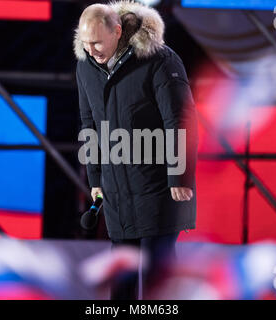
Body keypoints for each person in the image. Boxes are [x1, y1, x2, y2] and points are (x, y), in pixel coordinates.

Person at [74, 0, 198, 300]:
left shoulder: (161, 60)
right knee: (123, 279)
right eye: (85, 42)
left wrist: (179, 176)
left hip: (160, 187)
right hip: (118, 191)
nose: (91, 50)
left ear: (118, 31)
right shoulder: (86, 67)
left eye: (97, 42)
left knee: (158, 277)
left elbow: (179, 119)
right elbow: (90, 125)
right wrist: (96, 180)